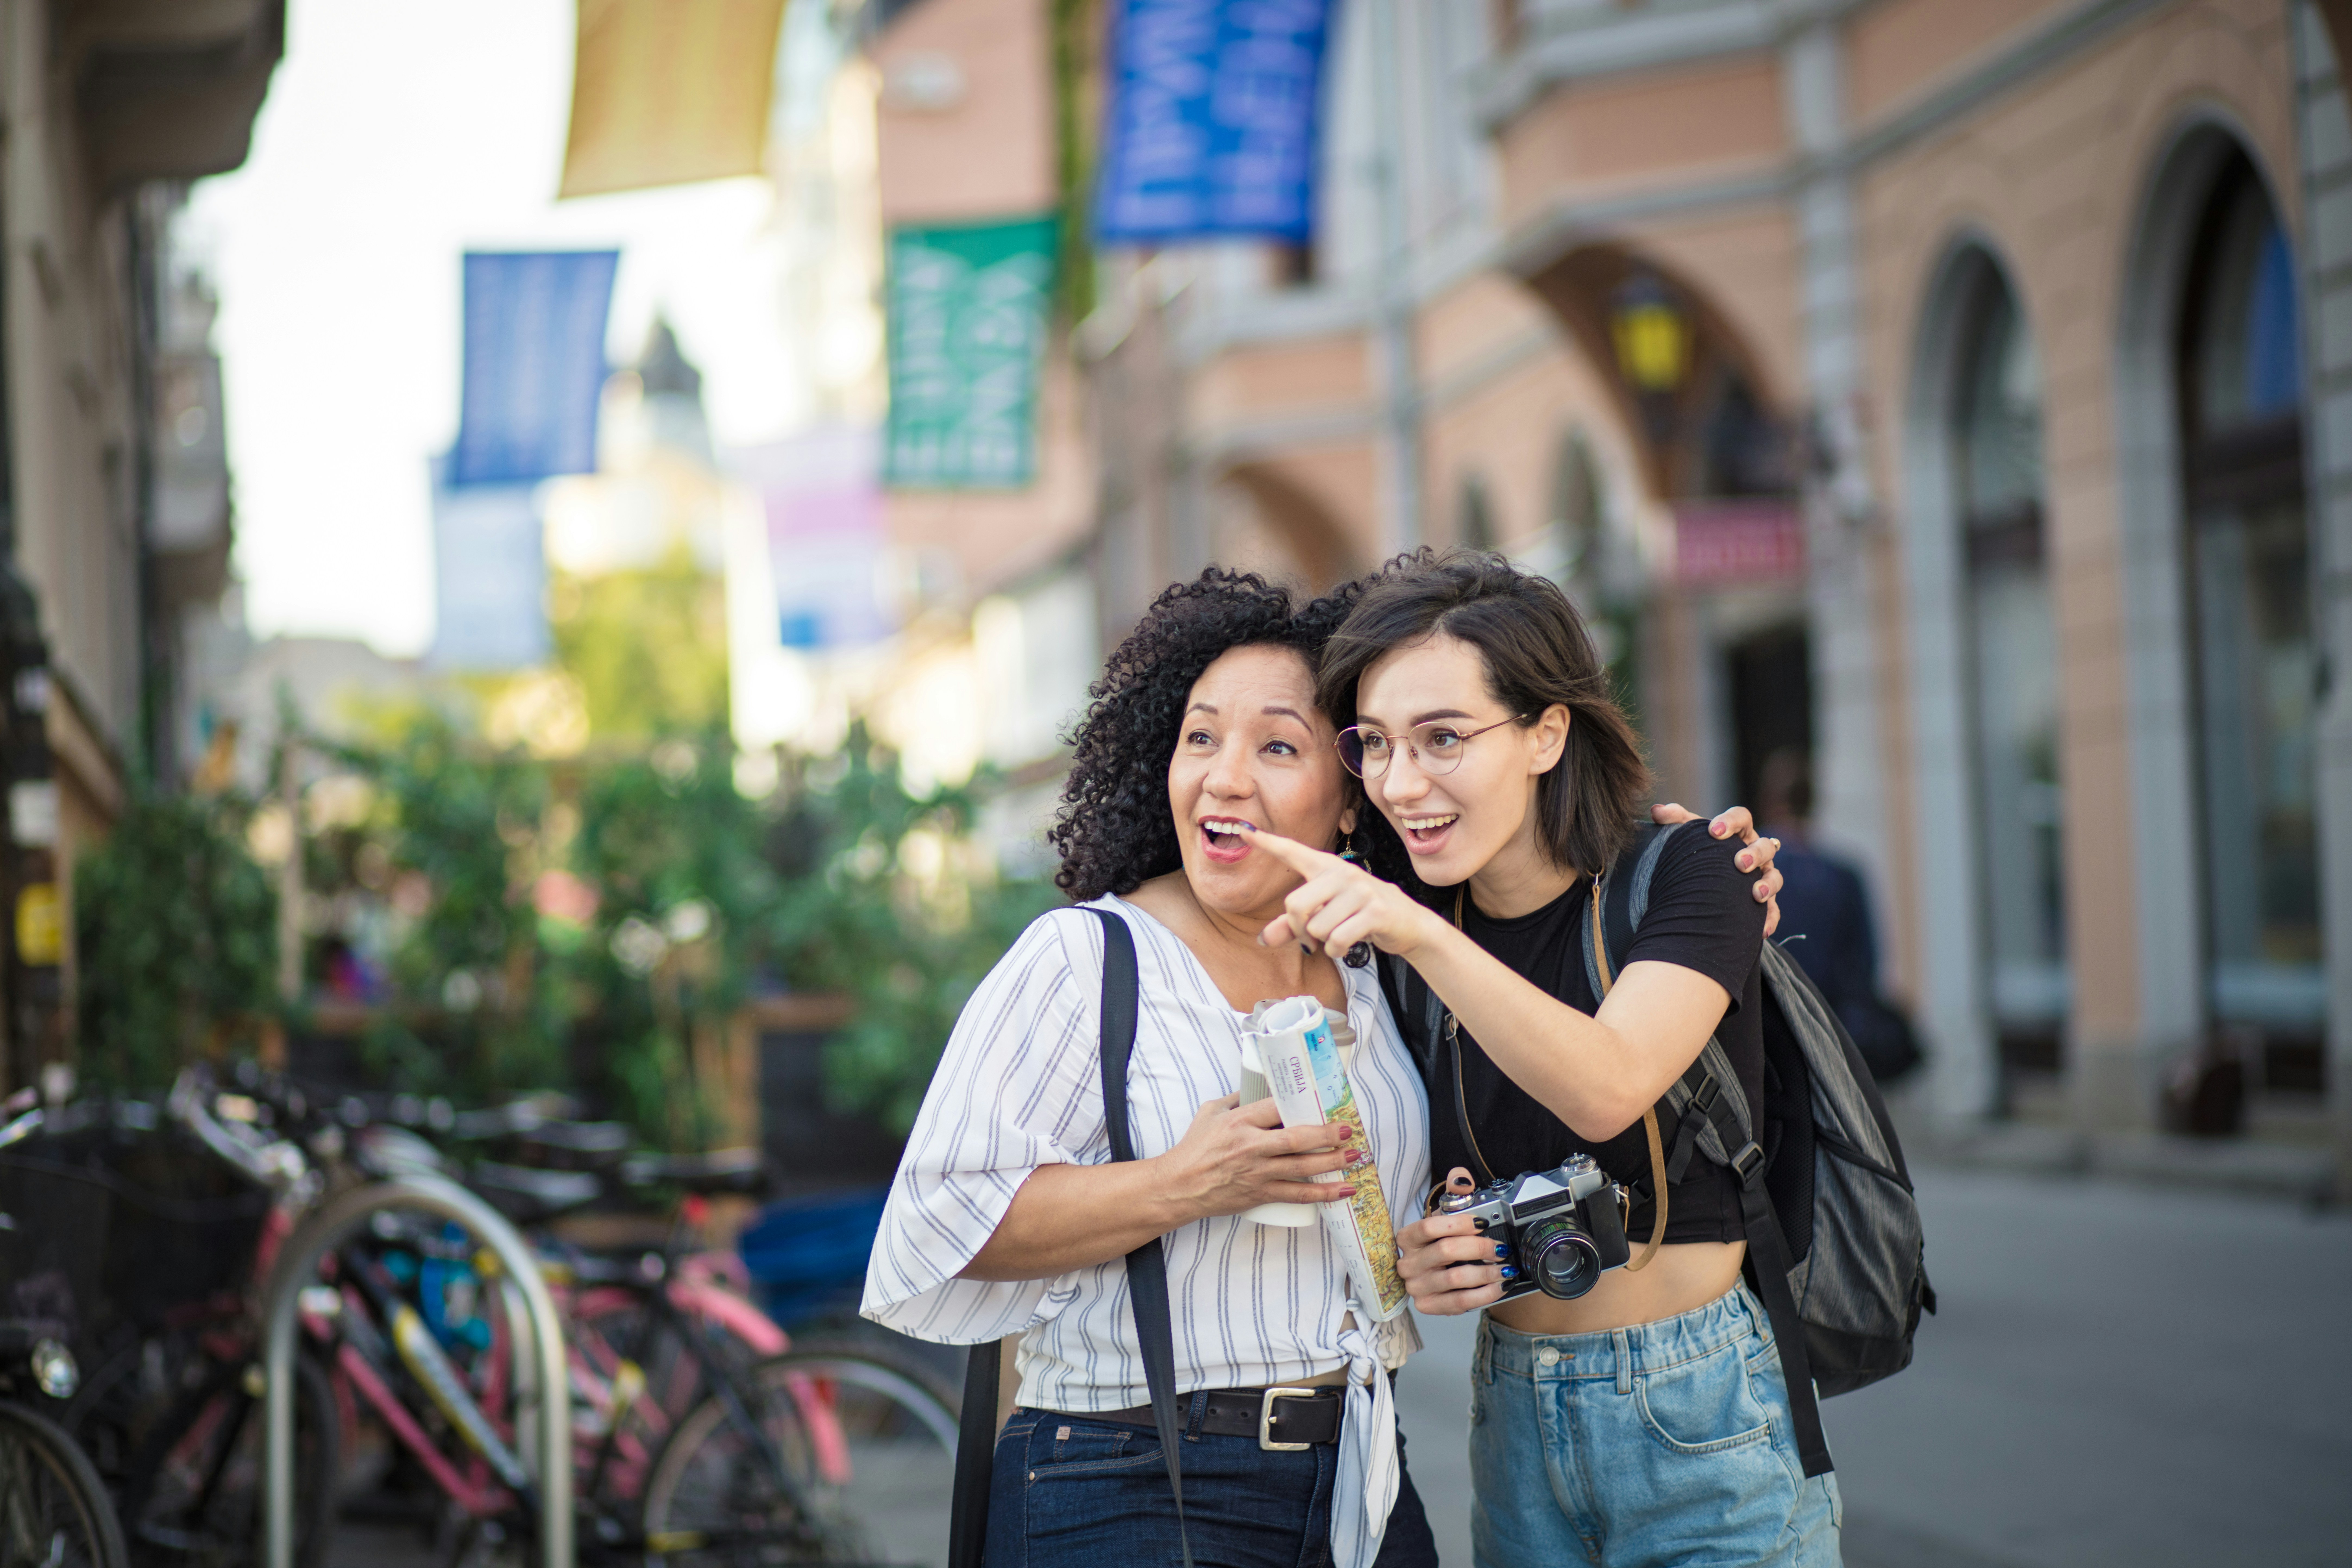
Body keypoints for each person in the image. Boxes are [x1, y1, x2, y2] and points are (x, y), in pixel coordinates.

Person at [861, 565, 1786, 1568]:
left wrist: (1425, 1255)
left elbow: (1436, 1181)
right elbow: (934, 1223)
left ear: (1350, 806)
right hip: (1128, 1478)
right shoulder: (1085, 957)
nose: (1223, 774)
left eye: (1276, 745)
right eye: (1199, 736)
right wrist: (1184, 1181)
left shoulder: (1381, 964)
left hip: (1359, 1479)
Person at [1245, 551, 1840, 1567]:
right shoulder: (1401, 919)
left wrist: (1418, 932)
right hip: (1514, 1408)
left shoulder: (1690, 871)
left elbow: (1609, 1083)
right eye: (1376, 744)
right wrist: (1427, 1254)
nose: (1400, 782)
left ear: (1545, 731)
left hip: (1701, 1404)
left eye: (1442, 738)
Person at [1756, 747, 1919, 1084]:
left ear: (1768, 801)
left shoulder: (1750, 876)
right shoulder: (1845, 875)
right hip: (1835, 1033)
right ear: (1813, 803)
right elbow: (1868, 962)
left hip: (1770, 1036)